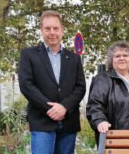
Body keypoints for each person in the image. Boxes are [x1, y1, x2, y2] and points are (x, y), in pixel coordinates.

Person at [18, 10, 86, 154]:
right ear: (41, 30)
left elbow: (80, 87)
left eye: (56, 28)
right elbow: (26, 85)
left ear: (62, 30)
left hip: (68, 122)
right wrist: (49, 108)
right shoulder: (29, 54)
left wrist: (64, 107)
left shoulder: (74, 58)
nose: (52, 32)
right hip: (42, 121)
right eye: (47, 28)